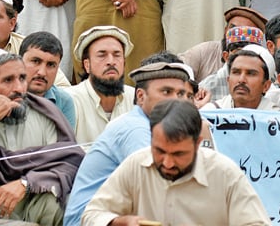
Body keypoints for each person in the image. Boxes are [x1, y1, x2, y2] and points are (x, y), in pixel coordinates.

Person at [81, 100, 269, 226]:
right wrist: (119, 222)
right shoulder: (136, 164)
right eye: (160, 151)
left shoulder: (225, 173)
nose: (168, 163)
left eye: (178, 154)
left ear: (197, 143)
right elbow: (91, 215)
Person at [0, 53, 84, 225]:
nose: (19, 88)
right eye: (8, 80)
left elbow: (67, 165)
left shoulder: (46, 114)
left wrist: (25, 183)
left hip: (34, 199)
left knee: (58, 198)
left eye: (22, 78)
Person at [63, 59, 193, 226]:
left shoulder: (158, 127)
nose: (176, 100)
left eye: (181, 94)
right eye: (166, 92)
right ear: (140, 96)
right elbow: (160, 189)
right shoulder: (135, 129)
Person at [65, 26, 136, 149]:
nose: (111, 61)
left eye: (117, 55)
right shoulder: (70, 100)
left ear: (124, 63)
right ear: (87, 65)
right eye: (102, 55)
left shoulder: (136, 98)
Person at [179, 6, 268, 82]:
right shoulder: (203, 52)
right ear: (225, 30)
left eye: (244, 31)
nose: (237, 34)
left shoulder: (264, 62)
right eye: (233, 29)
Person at [20, 31, 77, 129]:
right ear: (19, 62)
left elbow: (66, 143)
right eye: (35, 61)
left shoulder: (63, 101)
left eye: (51, 65)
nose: (42, 72)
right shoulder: (4, 95)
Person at [202, 45, 275, 110]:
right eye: (236, 72)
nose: (241, 80)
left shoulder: (278, 118)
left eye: (251, 74)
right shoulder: (211, 112)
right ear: (228, 80)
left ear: (266, 86)